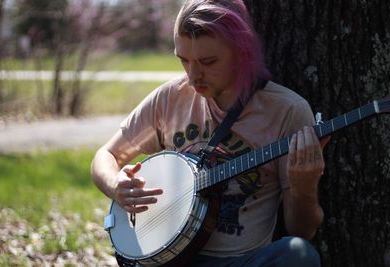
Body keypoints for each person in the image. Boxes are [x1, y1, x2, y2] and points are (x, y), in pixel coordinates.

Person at [91, 0, 329, 266]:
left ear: (242, 52)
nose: (193, 76)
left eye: (208, 62)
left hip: (242, 261)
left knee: (298, 254)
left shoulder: (287, 110)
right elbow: (106, 155)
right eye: (184, 61)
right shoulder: (171, 97)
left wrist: (304, 185)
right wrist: (116, 185)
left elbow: (302, 230)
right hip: (170, 258)